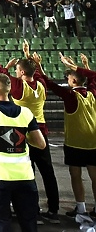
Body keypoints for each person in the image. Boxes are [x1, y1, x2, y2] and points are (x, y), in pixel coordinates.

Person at [0, 38, 60, 223]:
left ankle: (32, 211)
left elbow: (0, 76)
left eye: (18, 70)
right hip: (42, 130)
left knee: (29, 172)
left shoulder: (20, 87)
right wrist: (28, 56)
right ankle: (53, 210)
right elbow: (36, 74)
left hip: (25, 132)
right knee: (48, 172)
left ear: (20, 72)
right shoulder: (41, 84)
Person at [0, 73, 47, 232]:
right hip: (25, 176)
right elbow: (41, 143)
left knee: (2, 221)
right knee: (28, 222)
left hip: (0, 176)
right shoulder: (26, 112)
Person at [35, 52, 96, 218]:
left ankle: (81, 208)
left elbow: (48, 82)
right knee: (94, 176)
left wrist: (39, 66)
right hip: (93, 142)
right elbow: (93, 78)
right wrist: (83, 66)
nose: (68, 80)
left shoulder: (71, 96)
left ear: (74, 81)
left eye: (69, 77)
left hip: (75, 142)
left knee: (76, 175)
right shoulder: (92, 93)